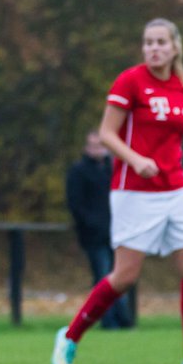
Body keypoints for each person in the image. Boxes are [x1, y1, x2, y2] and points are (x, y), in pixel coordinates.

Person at [50, 18, 183, 364]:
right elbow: (106, 134)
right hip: (134, 190)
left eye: (161, 42)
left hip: (176, 186)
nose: (154, 48)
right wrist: (136, 160)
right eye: (148, 42)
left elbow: (172, 140)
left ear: (176, 47)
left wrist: (164, 164)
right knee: (125, 276)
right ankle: (69, 337)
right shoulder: (130, 81)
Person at [65, 131, 133, 329]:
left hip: (116, 233)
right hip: (94, 236)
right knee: (103, 276)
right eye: (94, 145)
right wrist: (92, 224)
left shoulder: (111, 170)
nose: (98, 149)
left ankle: (124, 319)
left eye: (101, 145)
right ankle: (108, 320)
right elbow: (75, 203)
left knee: (121, 276)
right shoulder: (79, 171)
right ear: (86, 148)